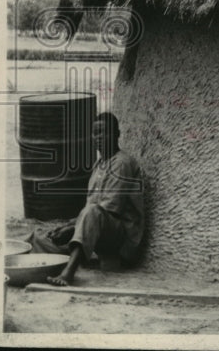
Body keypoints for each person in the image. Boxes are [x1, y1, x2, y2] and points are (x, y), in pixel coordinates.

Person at [29, 112, 145, 286]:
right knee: (40, 237)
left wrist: (71, 229)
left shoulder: (122, 163)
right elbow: (90, 210)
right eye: (95, 133)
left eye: (104, 132)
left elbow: (107, 210)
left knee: (90, 213)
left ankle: (69, 272)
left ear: (117, 134)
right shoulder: (99, 165)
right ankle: (59, 261)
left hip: (121, 241)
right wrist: (67, 226)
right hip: (98, 231)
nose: (98, 138)